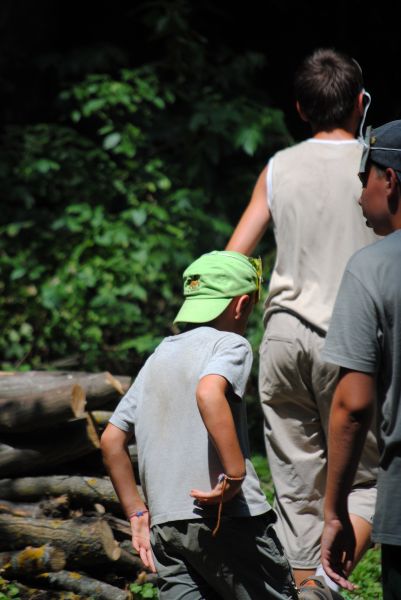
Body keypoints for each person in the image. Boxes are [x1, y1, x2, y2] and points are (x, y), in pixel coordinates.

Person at [226, 47, 379, 592]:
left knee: (296, 488)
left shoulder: (278, 168)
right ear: (360, 103)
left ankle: (303, 586)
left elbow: (236, 255)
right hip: (355, 343)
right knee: (371, 481)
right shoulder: (379, 165)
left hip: (284, 339)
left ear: (299, 109)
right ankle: (322, 586)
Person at [100, 250, 297, 600]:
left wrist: (136, 511)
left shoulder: (159, 354)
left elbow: (112, 439)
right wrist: (234, 476)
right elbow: (209, 392)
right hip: (228, 516)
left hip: (166, 526)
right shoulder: (231, 344)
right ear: (242, 306)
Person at [321, 120, 401, 599]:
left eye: (363, 179)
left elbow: (352, 406)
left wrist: (335, 510)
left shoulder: (372, 266)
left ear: (389, 180)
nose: (359, 196)